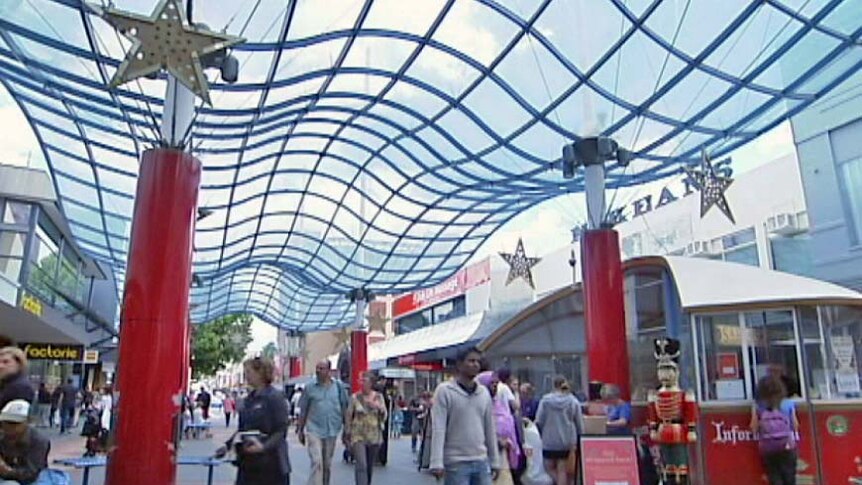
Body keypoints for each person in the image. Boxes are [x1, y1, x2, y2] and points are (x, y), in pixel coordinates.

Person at [429, 347, 500, 485]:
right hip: (456, 463)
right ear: (459, 364)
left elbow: (490, 429)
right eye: (471, 361)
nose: (475, 365)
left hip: (481, 460)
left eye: (478, 362)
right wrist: (436, 462)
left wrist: (495, 460)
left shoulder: (484, 393)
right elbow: (439, 428)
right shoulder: (445, 391)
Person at [217, 357, 290, 485]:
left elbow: (281, 430)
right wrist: (227, 445)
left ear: (261, 372)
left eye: (248, 372)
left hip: (271, 465)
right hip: (249, 464)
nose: (246, 376)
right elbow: (242, 430)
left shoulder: (275, 397)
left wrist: (263, 446)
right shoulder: (248, 400)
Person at [297, 360, 348, 485]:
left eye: (321, 368)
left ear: (329, 371)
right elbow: (303, 410)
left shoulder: (338, 387)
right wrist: (300, 430)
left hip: (332, 429)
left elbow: (344, 408)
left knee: (326, 464)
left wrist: (347, 429)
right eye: (317, 368)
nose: (318, 371)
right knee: (317, 461)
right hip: (314, 429)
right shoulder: (309, 388)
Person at [751, 376, 798, 485]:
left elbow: (754, 428)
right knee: (789, 478)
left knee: (774, 476)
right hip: (787, 445)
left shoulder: (759, 406)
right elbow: (795, 426)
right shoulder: (788, 403)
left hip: (768, 447)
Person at [535, 376, 582, 485]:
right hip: (567, 442)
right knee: (563, 471)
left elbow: (539, 420)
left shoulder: (545, 401)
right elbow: (579, 423)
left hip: (549, 441)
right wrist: (579, 438)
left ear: (553, 385)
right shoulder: (573, 401)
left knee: (549, 468)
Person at [478, 371, 522, 485]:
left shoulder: (496, 402)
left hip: (501, 451)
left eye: (496, 384)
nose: (494, 387)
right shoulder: (479, 403)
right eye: (492, 383)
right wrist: (498, 440)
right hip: (483, 453)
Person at [344, 373, 387, 485]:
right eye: (361, 381)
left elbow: (384, 415)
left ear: (371, 383)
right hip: (358, 435)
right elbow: (349, 415)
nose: (362, 383)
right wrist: (347, 432)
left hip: (374, 436)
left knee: (369, 466)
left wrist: (377, 407)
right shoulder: (355, 397)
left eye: (365, 381)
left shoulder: (378, 397)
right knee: (361, 464)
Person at [0, 400, 50, 484]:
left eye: (15, 424)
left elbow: (31, 474)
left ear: (27, 422)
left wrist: (6, 471)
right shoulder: (2, 435)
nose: (9, 427)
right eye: (6, 423)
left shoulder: (38, 441)